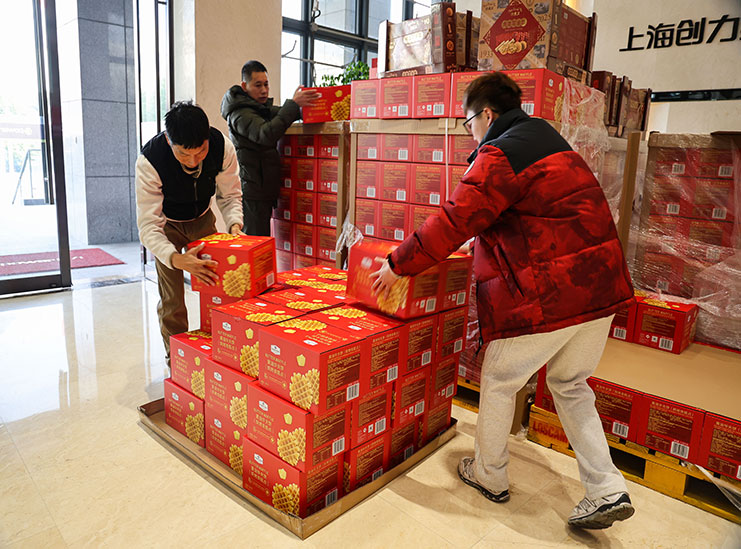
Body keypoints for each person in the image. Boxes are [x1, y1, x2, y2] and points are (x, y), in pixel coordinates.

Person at [371, 73, 636, 529]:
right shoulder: (553, 144)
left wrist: (398, 263)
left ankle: (489, 475)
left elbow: (455, 219)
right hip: (601, 287)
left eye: (469, 122)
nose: (469, 133)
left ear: (487, 115)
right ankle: (607, 488)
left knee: (497, 380)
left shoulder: (499, 155)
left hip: (552, 294)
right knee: (570, 384)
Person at [135, 101, 243, 364]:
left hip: (202, 219)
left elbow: (229, 196)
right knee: (172, 299)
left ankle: (223, 353)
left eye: (201, 151)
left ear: (207, 138)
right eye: (184, 154)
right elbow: (148, 225)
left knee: (219, 286)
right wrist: (175, 258)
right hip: (166, 225)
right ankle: (178, 361)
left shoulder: (222, 147)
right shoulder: (150, 160)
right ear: (168, 140)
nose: (194, 161)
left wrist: (234, 225)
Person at [221, 60, 319, 236]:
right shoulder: (240, 113)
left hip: (262, 188)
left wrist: (310, 109)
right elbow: (265, 134)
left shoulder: (258, 109)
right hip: (252, 191)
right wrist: (293, 104)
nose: (264, 90)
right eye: (258, 85)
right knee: (255, 242)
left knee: (262, 241)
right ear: (244, 86)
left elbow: (281, 114)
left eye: (266, 84)